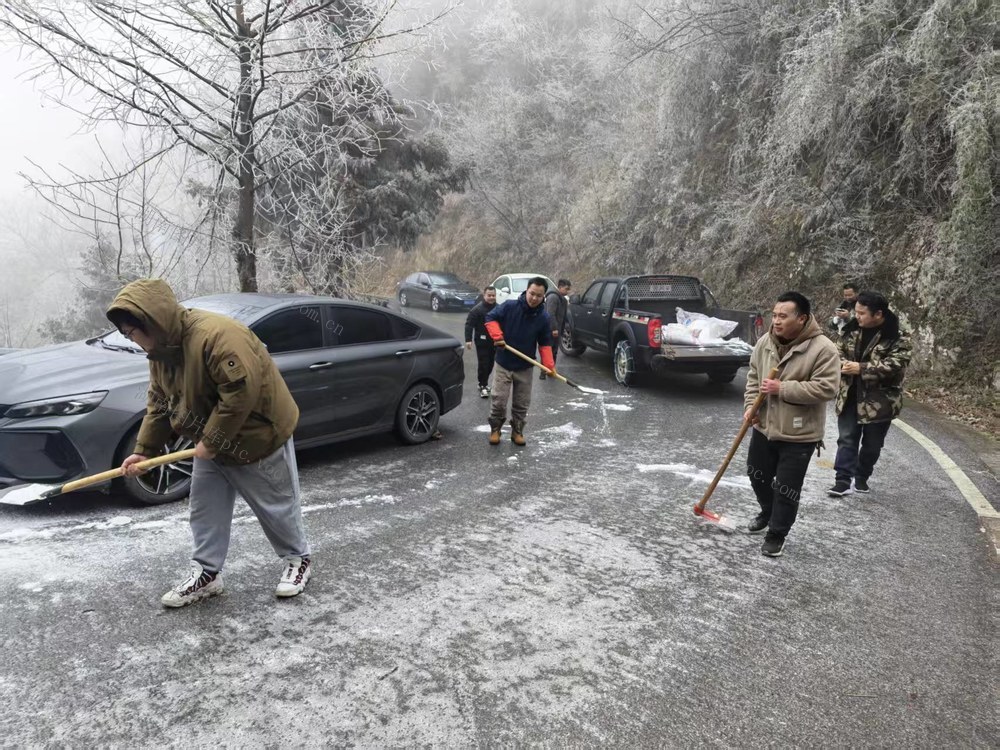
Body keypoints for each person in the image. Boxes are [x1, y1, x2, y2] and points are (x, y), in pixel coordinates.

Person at [107, 279, 312, 607]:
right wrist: (143, 452)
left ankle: (297, 559)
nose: (131, 340)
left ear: (152, 322)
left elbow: (240, 393)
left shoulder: (217, 336)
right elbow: (159, 403)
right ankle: (207, 573)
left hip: (257, 435)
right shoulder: (161, 354)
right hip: (210, 441)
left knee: (276, 506)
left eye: (131, 332)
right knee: (205, 509)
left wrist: (212, 440)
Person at [744, 291, 840, 557]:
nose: (776, 321)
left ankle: (777, 533)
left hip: (799, 434)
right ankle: (768, 511)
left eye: (783, 316)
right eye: (774, 315)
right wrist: (750, 407)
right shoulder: (765, 342)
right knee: (756, 473)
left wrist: (782, 388)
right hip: (764, 427)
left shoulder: (823, 349)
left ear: (802, 319)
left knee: (787, 487)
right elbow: (754, 378)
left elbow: (827, 388)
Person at [828, 291, 912, 497]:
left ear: (878, 314)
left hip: (881, 400)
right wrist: (842, 364)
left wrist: (862, 368)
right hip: (849, 394)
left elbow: (896, 364)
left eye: (862, 313)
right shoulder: (850, 328)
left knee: (872, 445)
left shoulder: (898, 336)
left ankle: (862, 475)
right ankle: (842, 480)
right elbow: (835, 352)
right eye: (856, 312)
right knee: (847, 438)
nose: (857, 316)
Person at [484, 276, 555, 446]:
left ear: (543, 296)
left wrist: (549, 365)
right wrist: (497, 336)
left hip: (525, 366)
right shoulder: (510, 306)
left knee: (521, 403)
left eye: (539, 295)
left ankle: (517, 431)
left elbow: (545, 343)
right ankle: (495, 429)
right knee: (499, 400)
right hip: (504, 362)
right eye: (532, 293)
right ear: (527, 291)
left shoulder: (543, 318)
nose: (534, 298)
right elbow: (490, 318)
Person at [464, 286, 498, 398]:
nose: (491, 297)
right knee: (484, 364)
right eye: (489, 295)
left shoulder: (498, 308)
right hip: (481, 342)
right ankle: (482, 385)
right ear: (484, 295)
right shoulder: (477, 310)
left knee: (490, 365)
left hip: (494, 342)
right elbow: (469, 324)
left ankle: (483, 383)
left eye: (493, 295)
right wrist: (468, 339)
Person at [540, 279, 571, 380]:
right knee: (547, 350)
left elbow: (563, 315)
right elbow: (550, 313)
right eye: (566, 289)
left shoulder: (562, 299)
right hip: (550, 329)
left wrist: (565, 327)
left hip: (558, 328)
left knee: (554, 350)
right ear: (560, 287)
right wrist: (554, 328)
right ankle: (543, 371)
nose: (567, 291)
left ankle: (550, 370)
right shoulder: (553, 297)